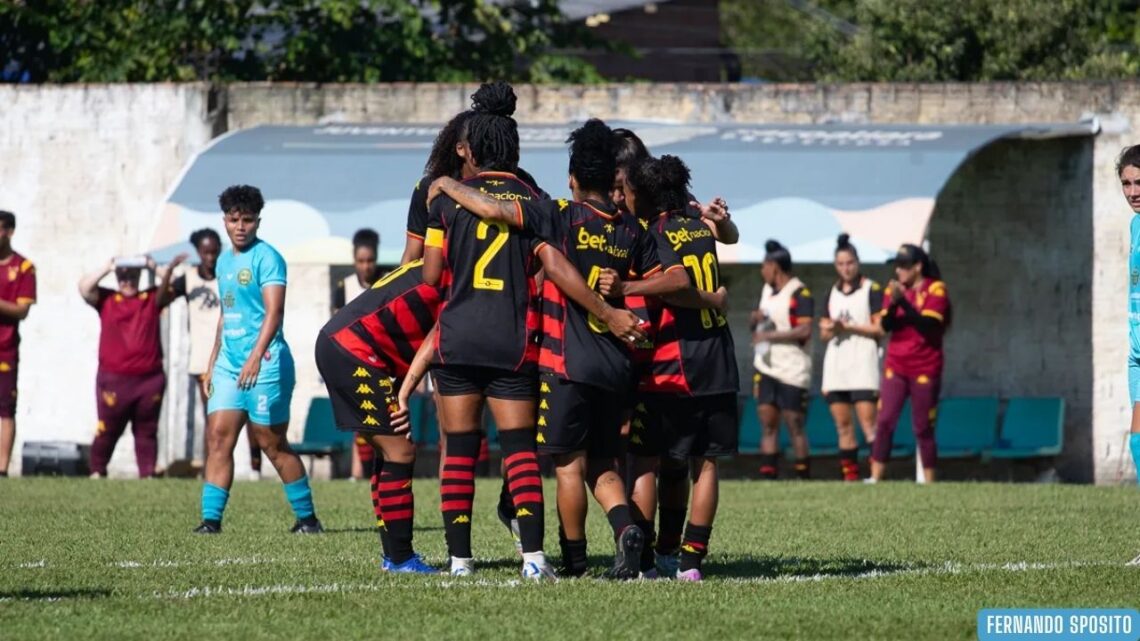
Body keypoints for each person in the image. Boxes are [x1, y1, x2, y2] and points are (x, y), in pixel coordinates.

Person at [429, 119, 723, 579]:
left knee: (568, 465)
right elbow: (668, 288)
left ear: (572, 179)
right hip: (618, 368)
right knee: (606, 464)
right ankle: (626, 527)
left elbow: (496, 211)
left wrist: (447, 183)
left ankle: (575, 561)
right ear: (614, 182)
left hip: (566, 365)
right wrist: (625, 296)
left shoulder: (558, 215)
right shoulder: (632, 231)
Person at [423, 82, 644, 579]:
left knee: (459, 450)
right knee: (520, 450)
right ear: (513, 147)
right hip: (514, 340)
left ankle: (460, 561)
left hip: (457, 336)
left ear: (471, 147)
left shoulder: (444, 199)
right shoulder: (536, 199)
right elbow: (551, 265)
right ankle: (534, 558)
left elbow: (431, 275)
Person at [617, 155, 740, 582]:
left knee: (644, 461)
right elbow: (731, 236)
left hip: (675, 362)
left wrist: (624, 287)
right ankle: (689, 563)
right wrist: (719, 222)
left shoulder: (657, 232)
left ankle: (646, 561)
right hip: (719, 358)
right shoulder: (698, 224)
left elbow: (677, 288)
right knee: (705, 464)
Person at [194, 185, 323, 534]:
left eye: (248, 220)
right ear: (224, 221)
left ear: (258, 222)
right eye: (234, 220)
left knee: (270, 442)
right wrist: (212, 361)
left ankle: (308, 519)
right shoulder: (223, 261)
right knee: (218, 438)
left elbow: (274, 312)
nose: (240, 227)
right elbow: (227, 312)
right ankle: (210, 521)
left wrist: (253, 359)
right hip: (229, 365)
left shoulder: (268, 258)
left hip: (265, 364)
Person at [316, 259, 440, 574]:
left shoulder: (431, 260)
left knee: (389, 450)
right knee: (400, 450)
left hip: (346, 343)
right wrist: (405, 392)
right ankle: (400, 558)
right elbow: (433, 340)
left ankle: (394, 556)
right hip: (354, 349)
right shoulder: (460, 270)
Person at [80, 254, 185, 478]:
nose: (127, 282)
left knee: (147, 430)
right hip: (114, 378)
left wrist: (152, 265)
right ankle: (97, 470)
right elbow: (84, 287)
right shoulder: (107, 299)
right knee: (107, 428)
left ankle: (147, 473)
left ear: (139, 276)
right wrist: (108, 267)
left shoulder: (151, 298)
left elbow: (180, 283)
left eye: (132, 276)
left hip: (149, 379)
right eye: (123, 277)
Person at [171, 228, 263, 475]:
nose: (210, 257)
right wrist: (169, 270)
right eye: (205, 252)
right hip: (203, 362)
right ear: (198, 253)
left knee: (253, 416)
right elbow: (159, 300)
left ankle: (256, 464)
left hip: (238, 355)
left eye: (214, 252)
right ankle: (211, 470)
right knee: (214, 420)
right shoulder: (189, 279)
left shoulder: (230, 274)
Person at [868, 243, 951, 483]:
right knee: (884, 421)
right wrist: (894, 303)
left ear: (918, 267)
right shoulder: (893, 290)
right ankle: (875, 477)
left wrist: (903, 302)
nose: (899, 272)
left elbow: (928, 324)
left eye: (904, 267)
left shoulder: (935, 289)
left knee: (923, 425)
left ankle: (929, 480)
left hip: (925, 365)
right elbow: (885, 327)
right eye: (897, 267)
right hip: (897, 364)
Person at [819, 234, 884, 481]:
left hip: (863, 366)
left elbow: (879, 328)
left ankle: (876, 475)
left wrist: (848, 327)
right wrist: (832, 328)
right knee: (843, 426)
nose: (846, 268)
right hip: (836, 367)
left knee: (869, 425)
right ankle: (851, 478)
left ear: (858, 262)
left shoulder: (871, 289)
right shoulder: (831, 293)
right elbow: (823, 333)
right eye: (841, 264)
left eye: (850, 263)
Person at [751, 240, 814, 479]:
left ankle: (802, 476)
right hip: (766, 367)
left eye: (763, 266)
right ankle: (768, 477)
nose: (761, 271)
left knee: (794, 423)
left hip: (792, 369)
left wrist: (769, 335)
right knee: (768, 422)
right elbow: (757, 327)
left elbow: (805, 331)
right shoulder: (767, 291)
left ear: (774, 267)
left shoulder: (800, 293)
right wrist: (755, 319)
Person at [331, 228, 381, 481]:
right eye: (361, 261)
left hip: (382, 362)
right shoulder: (344, 288)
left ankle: (373, 471)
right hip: (353, 360)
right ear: (354, 260)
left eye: (370, 260)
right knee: (359, 418)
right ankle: (358, 472)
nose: (366, 266)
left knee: (379, 419)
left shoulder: (385, 283)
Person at [0, 211, 35, 477]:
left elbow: (22, 311)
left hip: (5, 349)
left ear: (9, 231)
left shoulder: (24, 268)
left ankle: (2, 470)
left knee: (5, 410)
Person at [1122, 145, 1140, 566]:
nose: (1133, 190)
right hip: (1137, 349)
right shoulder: (1135, 226)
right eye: (1127, 183)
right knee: (1138, 438)